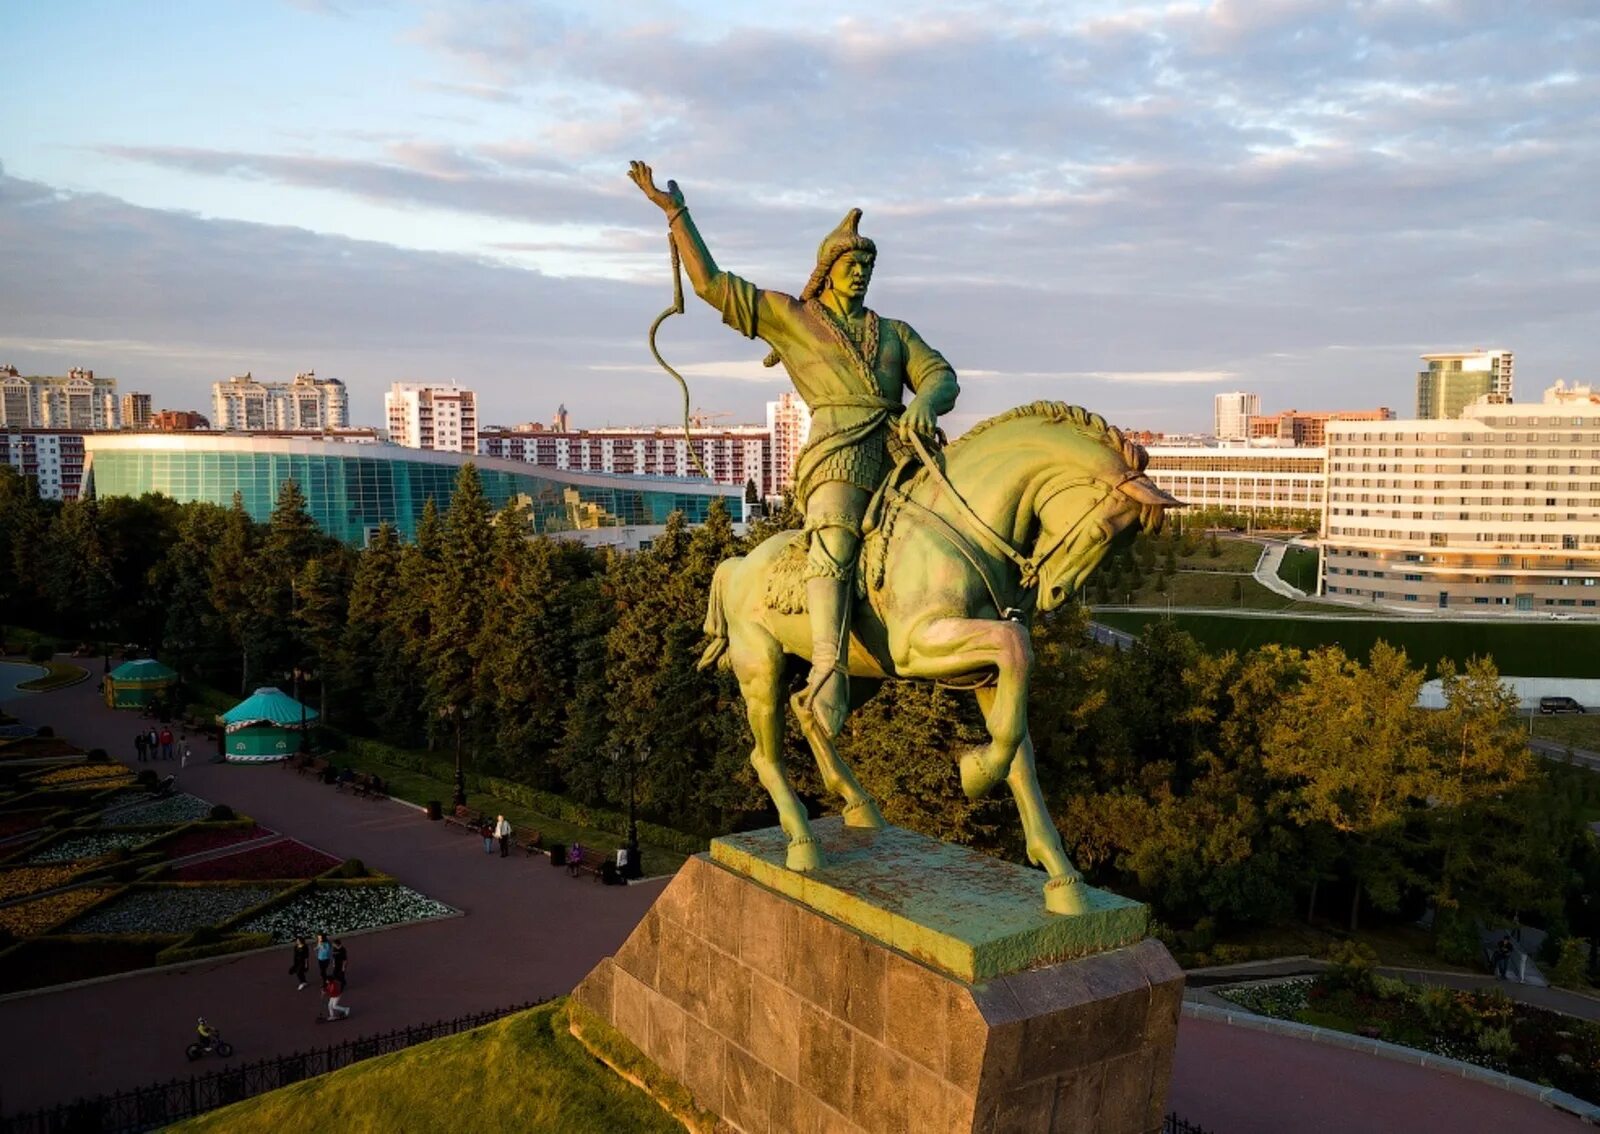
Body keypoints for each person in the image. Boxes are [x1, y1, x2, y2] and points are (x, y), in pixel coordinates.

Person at [629, 161, 960, 740]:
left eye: (867, 266)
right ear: (828, 270)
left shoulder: (895, 332)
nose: (860, 274)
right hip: (840, 453)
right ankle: (829, 669)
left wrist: (927, 401)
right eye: (850, 264)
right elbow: (711, 285)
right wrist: (676, 213)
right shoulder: (794, 317)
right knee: (833, 536)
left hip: (902, 450)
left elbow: (941, 375)